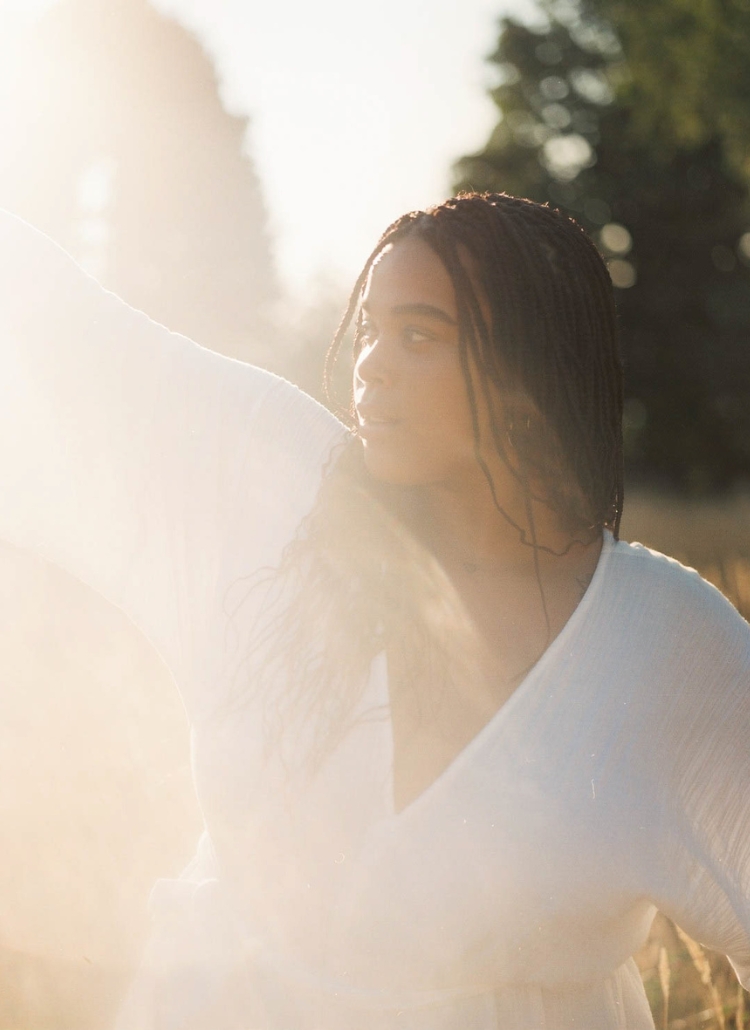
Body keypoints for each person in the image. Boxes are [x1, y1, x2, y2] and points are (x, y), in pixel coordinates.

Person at [0, 192, 748, 1030]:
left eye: (420, 335)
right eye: (369, 332)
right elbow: (62, 338)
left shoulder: (661, 640)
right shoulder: (282, 498)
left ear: (532, 365)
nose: (373, 366)